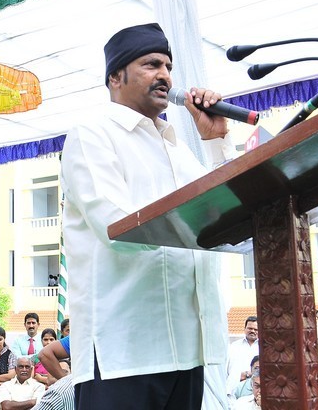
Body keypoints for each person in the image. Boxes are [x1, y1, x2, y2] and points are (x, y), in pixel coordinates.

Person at [60, 23, 229, 409]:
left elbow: (225, 209)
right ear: (115, 76)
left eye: (169, 67)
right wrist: (199, 221)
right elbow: (116, 225)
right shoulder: (91, 134)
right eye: (152, 64)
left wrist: (216, 140)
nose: (166, 76)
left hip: (189, 350)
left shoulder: (178, 149)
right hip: (123, 352)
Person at [228, 317, 260, 395]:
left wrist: (249, 374)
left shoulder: (264, 347)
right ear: (244, 329)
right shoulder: (234, 346)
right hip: (234, 390)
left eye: (255, 329)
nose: (252, 331)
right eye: (250, 328)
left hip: (256, 391)